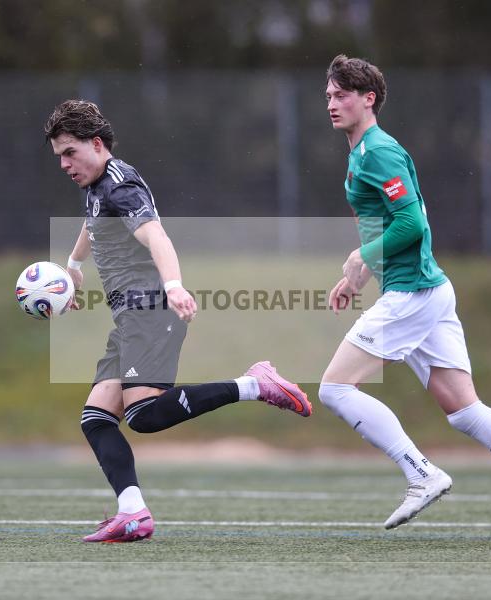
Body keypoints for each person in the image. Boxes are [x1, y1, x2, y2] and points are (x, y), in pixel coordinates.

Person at [318, 55, 491, 542]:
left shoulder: (377, 150)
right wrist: (360, 274)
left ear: (369, 99)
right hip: (427, 290)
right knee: (465, 411)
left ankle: (421, 472)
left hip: (413, 294)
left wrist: (362, 256)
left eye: (342, 95)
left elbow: (413, 224)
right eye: (329, 95)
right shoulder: (362, 152)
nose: (332, 103)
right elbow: (393, 224)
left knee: (335, 389)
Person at [44, 99, 311, 543]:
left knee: (145, 416)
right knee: (96, 418)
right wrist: (73, 265)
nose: (64, 164)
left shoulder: (120, 185)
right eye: (59, 157)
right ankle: (132, 513)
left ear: (96, 144)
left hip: (150, 309)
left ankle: (255, 384)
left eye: (70, 152)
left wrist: (173, 286)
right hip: (129, 317)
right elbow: (92, 225)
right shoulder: (96, 185)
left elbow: (157, 235)